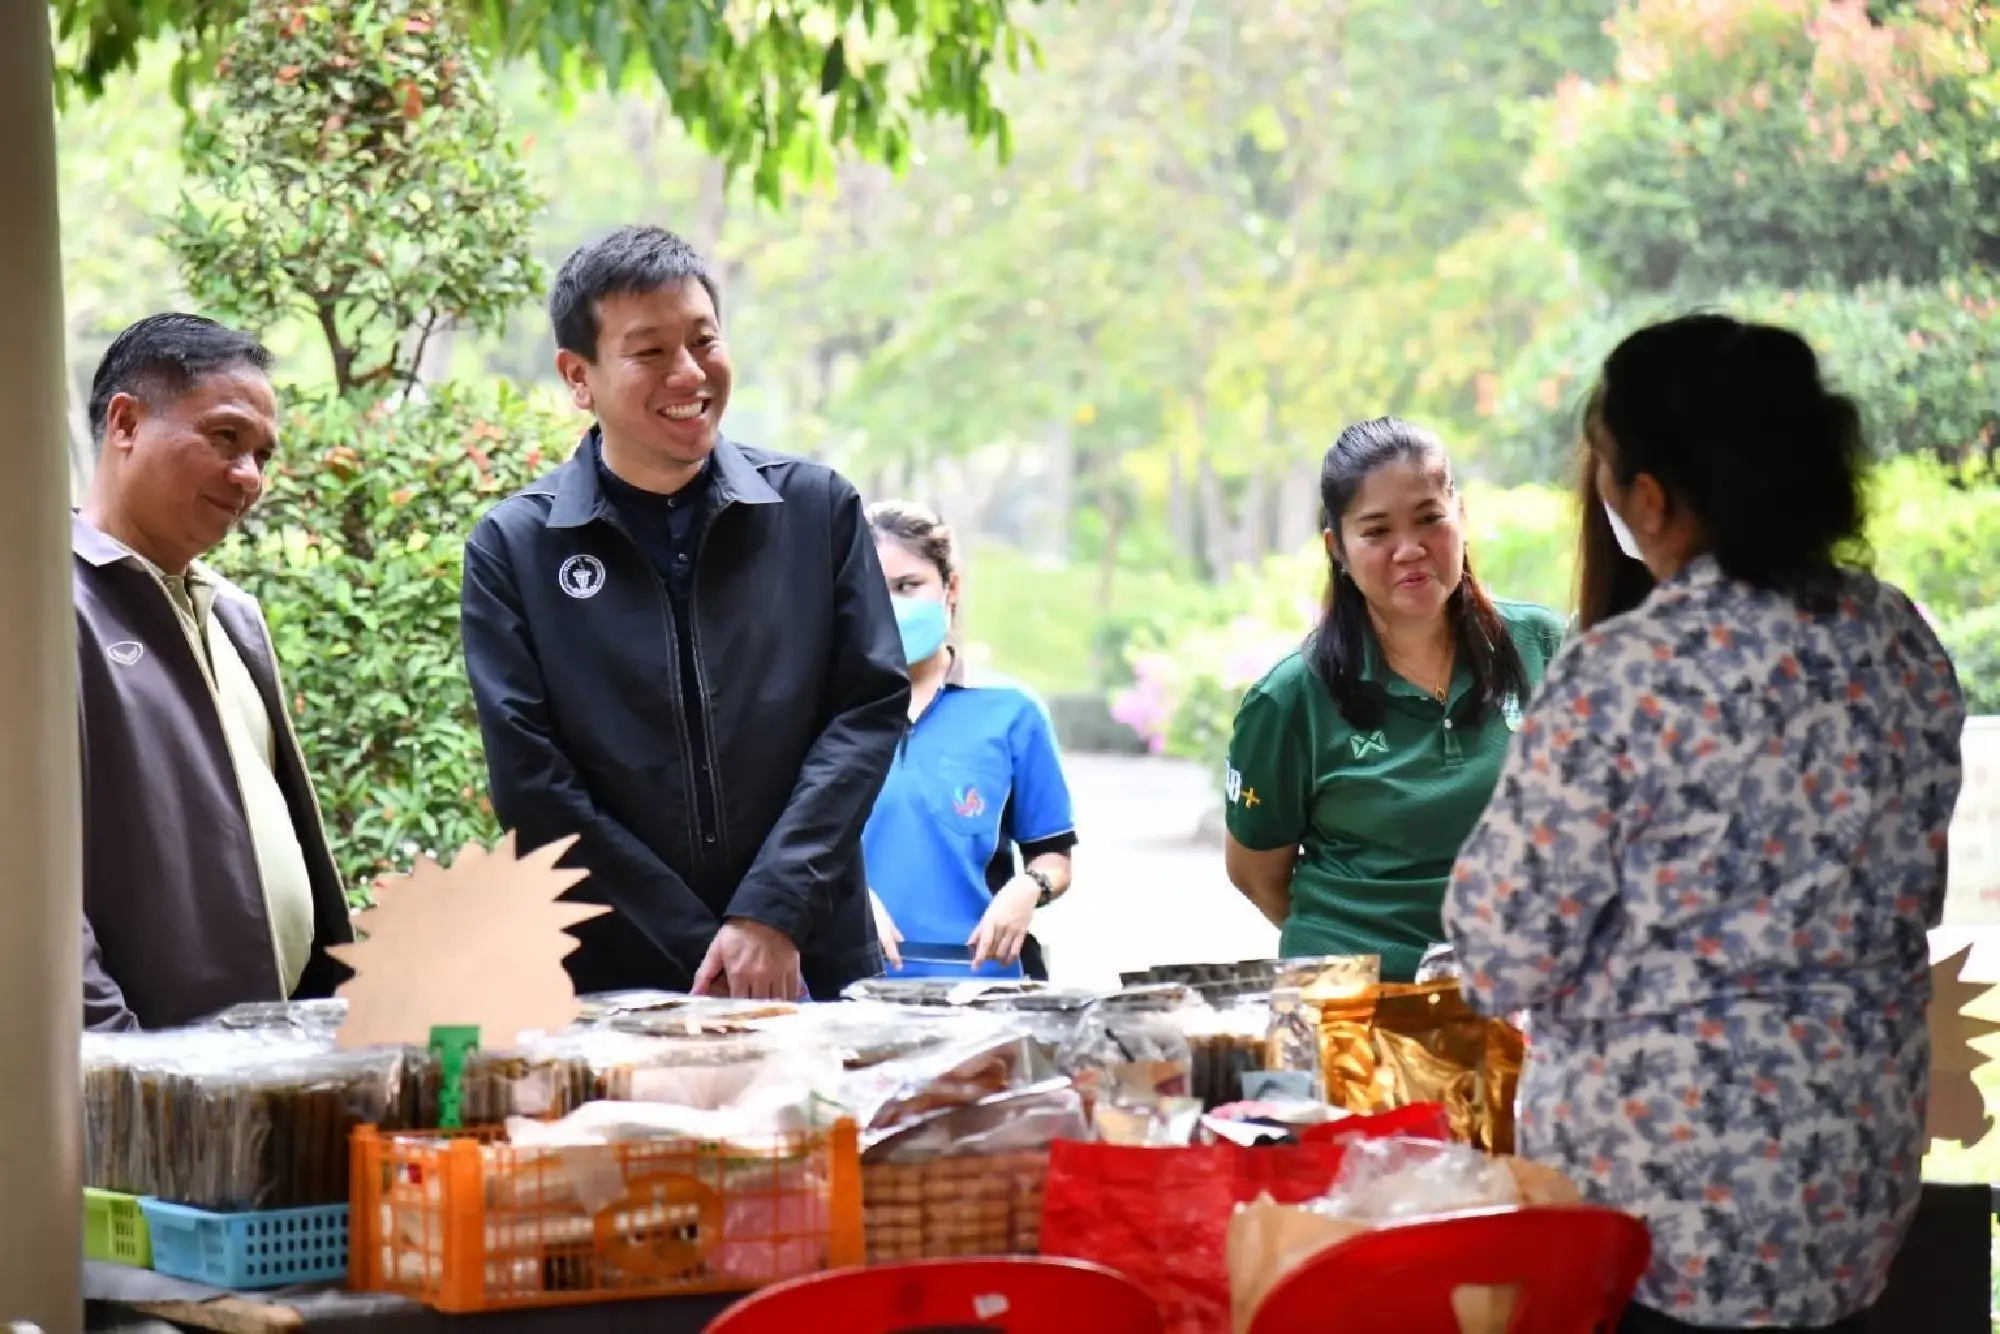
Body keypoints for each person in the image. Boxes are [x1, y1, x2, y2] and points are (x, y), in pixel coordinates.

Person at [1443, 314, 1965, 1334]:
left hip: (1663, 1220)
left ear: (1650, 495)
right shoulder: (1897, 639)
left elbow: (1499, 950)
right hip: (1848, 1190)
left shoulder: (1628, 672)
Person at [461, 226, 909, 1002]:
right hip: (617, 981)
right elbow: (534, 784)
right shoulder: (516, 548)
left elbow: (865, 712)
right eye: (650, 351)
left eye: (703, 340)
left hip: (811, 961)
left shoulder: (815, 510)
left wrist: (770, 914)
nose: (689, 372)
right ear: (578, 376)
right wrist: (707, 948)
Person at [74, 312, 353, 1031]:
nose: (249, 477)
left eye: (263, 453)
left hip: (271, 1060)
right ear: (126, 424)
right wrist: (122, 1059)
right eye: (225, 438)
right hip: (148, 1083)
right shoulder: (44, 607)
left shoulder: (233, 613)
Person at [1221, 417, 1566, 983]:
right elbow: (1255, 872)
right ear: (1337, 547)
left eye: (1430, 519)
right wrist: (1360, 952)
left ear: (1461, 516)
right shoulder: (1289, 699)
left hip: (1517, 993)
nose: (1410, 550)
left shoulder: (1544, 647)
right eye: (1376, 532)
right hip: (1355, 1014)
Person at [859, 500, 1077, 979]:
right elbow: (781, 847)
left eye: (908, 586)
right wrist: (844, 896)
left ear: (950, 587)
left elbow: (1054, 856)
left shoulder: (1012, 713)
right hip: (844, 990)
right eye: (875, 590)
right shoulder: (820, 711)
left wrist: (1029, 887)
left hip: (978, 992)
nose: (892, 605)